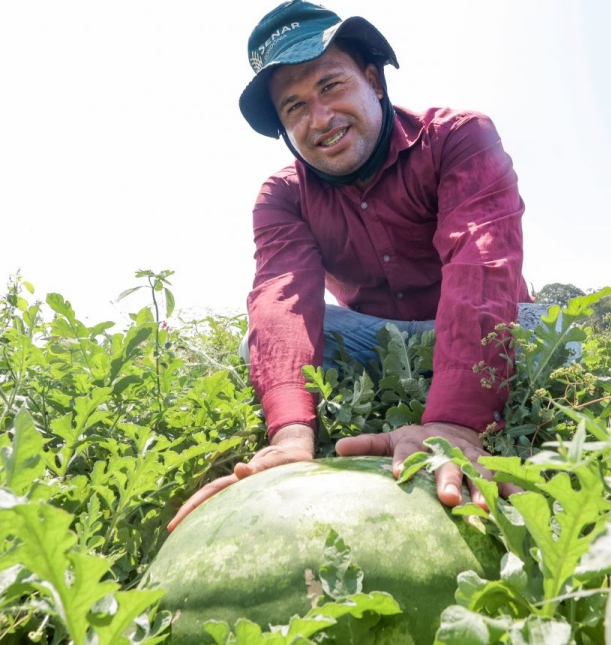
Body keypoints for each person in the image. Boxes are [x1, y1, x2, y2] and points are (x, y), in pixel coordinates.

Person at [167, 0, 529, 531]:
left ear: (373, 80)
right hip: (379, 342)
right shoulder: (283, 195)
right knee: (259, 340)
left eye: (331, 86)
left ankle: (458, 399)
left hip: (484, 326)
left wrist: (454, 422)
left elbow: (480, 267)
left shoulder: (457, 137)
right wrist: (290, 433)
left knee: (556, 337)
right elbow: (281, 300)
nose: (320, 119)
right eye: (293, 107)